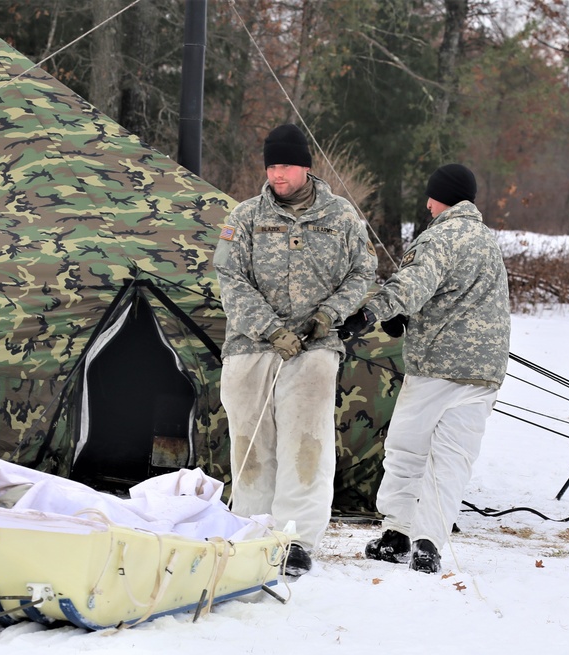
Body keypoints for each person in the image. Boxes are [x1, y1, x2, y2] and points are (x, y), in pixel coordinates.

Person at [213, 123, 377, 577]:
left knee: (307, 444)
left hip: (314, 348)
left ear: (305, 166)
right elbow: (230, 281)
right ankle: (252, 532)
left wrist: (328, 316)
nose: (276, 174)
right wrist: (269, 329)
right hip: (251, 347)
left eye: (284, 165)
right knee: (250, 442)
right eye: (270, 166)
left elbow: (363, 274)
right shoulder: (244, 217)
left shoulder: (341, 217)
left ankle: (296, 539)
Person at [340, 163, 511, 573]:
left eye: (431, 197)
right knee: (452, 460)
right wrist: (410, 317)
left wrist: (371, 313)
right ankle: (429, 544)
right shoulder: (488, 240)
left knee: (407, 450)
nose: (427, 206)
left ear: (442, 196)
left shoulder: (440, 236)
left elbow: (413, 283)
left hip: (437, 368)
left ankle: (397, 534)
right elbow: (453, 296)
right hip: (484, 373)